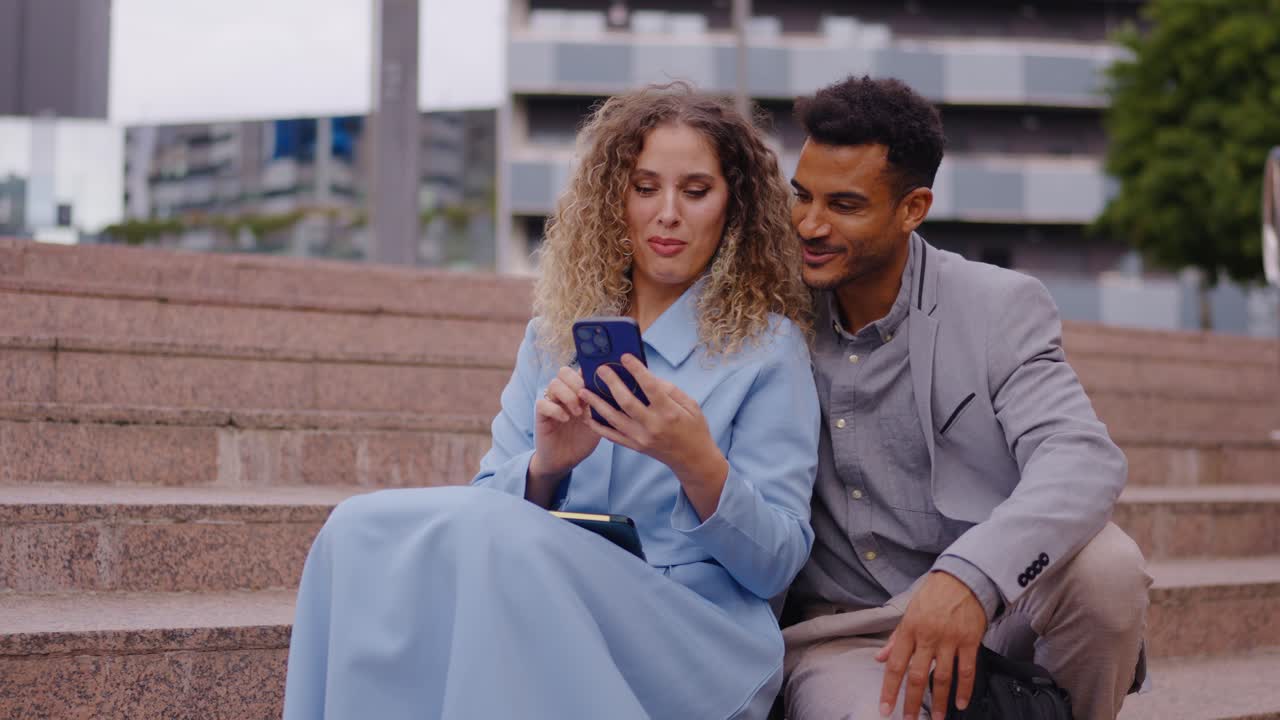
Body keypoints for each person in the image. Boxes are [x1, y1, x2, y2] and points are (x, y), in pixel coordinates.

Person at [283, 84, 820, 720]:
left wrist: (696, 461)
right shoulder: (555, 334)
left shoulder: (767, 348)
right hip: (550, 602)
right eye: (645, 187)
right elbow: (485, 503)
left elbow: (777, 564)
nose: (668, 213)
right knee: (356, 528)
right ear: (614, 197)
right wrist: (546, 469)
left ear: (734, 204)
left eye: (695, 191)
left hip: (692, 637)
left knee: (500, 536)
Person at [780, 75, 1152, 720]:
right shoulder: (768, 308)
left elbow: (1082, 456)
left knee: (1107, 568)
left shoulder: (998, 306)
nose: (810, 224)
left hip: (992, 611)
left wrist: (970, 577)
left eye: (843, 205)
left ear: (912, 208)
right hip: (845, 636)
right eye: (801, 196)